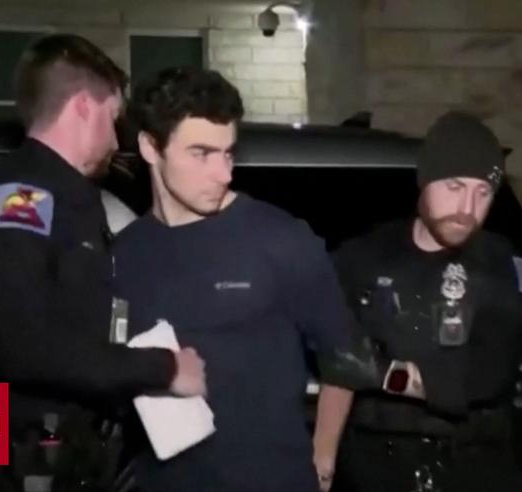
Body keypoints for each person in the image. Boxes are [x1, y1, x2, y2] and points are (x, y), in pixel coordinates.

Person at [0, 33, 207, 487]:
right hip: (11, 454)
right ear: (84, 107)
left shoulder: (41, 193)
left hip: (6, 443)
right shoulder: (24, 195)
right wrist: (165, 368)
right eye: (114, 119)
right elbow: (18, 344)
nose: (116, 139)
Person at [111, 67, 355, 492]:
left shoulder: (280, 239)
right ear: (150, 147)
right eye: (201, 154)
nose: (223, 174)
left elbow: (345, 357)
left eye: (228, 154)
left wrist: (323, 458)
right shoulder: (124, 253)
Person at [327, 111, 522, 491]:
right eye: (455, 186)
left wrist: (384, 374)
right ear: (424, 180)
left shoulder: (503, 268)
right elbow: (340, 367)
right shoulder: (364, 257)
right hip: (373, 465)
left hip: (472, 466)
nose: (467, 209)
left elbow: (484, 375)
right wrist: (322, 458)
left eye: (483, 193)